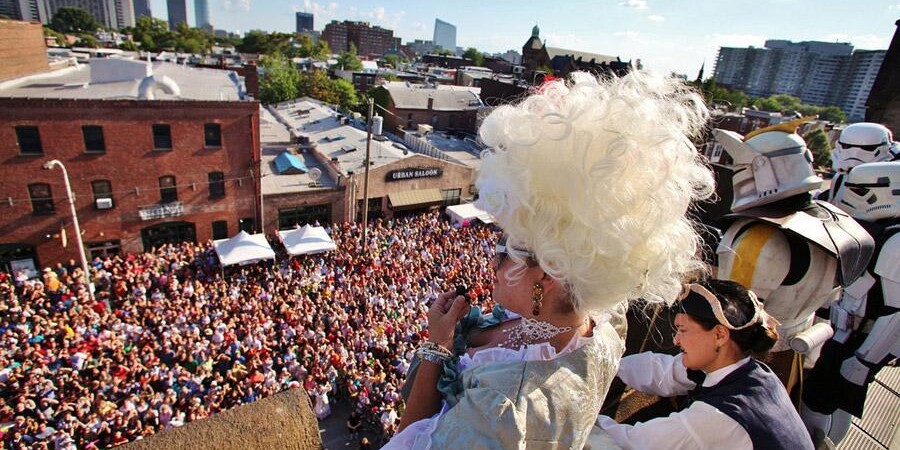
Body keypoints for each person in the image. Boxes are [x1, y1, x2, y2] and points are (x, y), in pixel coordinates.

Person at [383, 70, 715, 449]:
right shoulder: (605, 327)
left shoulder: (498, 411)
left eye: (508, 250)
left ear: (550, 275)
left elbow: (408, 441)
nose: (494, 261)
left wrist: (437, 346)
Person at [712, 122, 874, 391]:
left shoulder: (759, 238)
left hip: (742, 367)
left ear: (762, 168)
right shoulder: (834, 222)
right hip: (793, 358)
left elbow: (731, 322)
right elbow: (828, 304)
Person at [597, 280, 814, 450]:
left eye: (683, 330)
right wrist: (606, 364)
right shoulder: (751, 371)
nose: (676, 340)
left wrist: (573, 412)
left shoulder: (716, 417)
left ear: (719, 335)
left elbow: (633, 443)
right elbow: (665, 372)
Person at [801, 161, 900, 445]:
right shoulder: (881, 233)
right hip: (842, 334)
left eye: (859, 190)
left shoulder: (895, 243)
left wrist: (863, 361)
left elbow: (896, 314)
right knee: (820, 398)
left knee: (826, 401)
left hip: (859, 343)